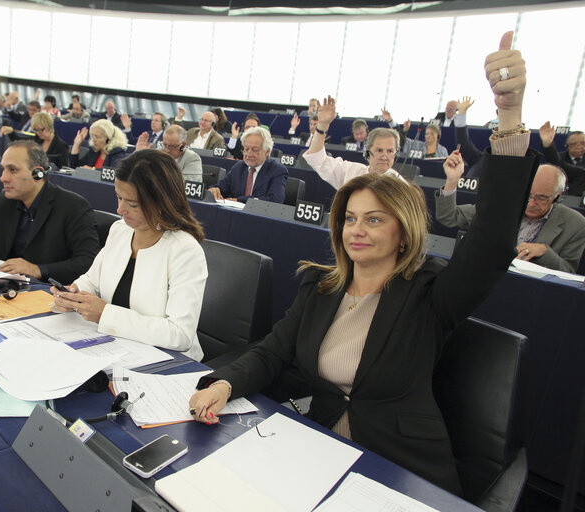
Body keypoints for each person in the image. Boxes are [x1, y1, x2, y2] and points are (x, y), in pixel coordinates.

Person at [188, 32, 537, 495]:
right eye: (350, 218)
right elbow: (272, 352)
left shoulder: (430, 295)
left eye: (374, 219)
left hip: (400, 472)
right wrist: (224, 385)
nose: (357, 229)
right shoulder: (320, 287)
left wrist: (509, 118)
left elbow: (492, 245)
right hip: (318, 450)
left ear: (404, 230)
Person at [51, 150, 208, 361]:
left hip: (167, 363)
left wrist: (105, 314)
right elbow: (92, 280)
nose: (119, 209)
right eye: (118, 197)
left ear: (162, 202)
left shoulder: (184, 251)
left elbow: (180, 335)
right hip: (115, 350)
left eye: (132, 204)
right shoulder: (120, 230)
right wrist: (74, 294)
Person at [0, 141, 99, 283]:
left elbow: (87, 262)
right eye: (3, 169)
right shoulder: (7, 201)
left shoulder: (72, 206)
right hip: (6, 287)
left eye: (13, 170)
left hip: (46, 293)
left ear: (38, 174)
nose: (3, 178)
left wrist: (38, 269)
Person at [436, 163, 585, 273]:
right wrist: (452, 181)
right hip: (484, 277)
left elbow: (568, 272)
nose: (531, 203)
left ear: (557, 197)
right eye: (529, 195)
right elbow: (448, 216)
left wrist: (545, 252)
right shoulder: (502, 205)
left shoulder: (576, 225)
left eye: (541, 198)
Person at [304, 99, 404, 190]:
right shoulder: (352, 172)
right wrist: (322, 125)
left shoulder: (401, 186)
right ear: (367, 152)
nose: (384, 156)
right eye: (379, 150)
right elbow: (317, 159)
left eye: (390, 151)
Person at [209, 126, 288, 204]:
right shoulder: (239, 167)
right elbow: (221, 187)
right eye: (246, 149)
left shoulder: (277, 171)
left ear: (267, 151)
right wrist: (214, 189)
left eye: (254, 149)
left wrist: (240, 200)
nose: (249, 154)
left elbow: (275, 200)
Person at [135, 124, 203, 182]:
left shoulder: (192, 158)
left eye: (171, 146)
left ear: (183, 145)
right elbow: (137, 174)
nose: (167, 150)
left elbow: (184, 182)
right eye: (164, 145)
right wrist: (138, 156)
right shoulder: (158, 153)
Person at [2, 112, 69, 170]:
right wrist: (11, 132)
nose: (38, 133)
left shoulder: (61, 146)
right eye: (36, 130)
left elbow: (64, 170)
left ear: (49, 126)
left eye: (41, 130)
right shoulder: (36, 139)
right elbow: (20, 141)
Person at [539, 123, 585, 196]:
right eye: (574, 143)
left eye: (583, 143)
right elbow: (558, 164)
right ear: (567, 146)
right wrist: (548, 143)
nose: (579, 146)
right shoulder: (558, 158)